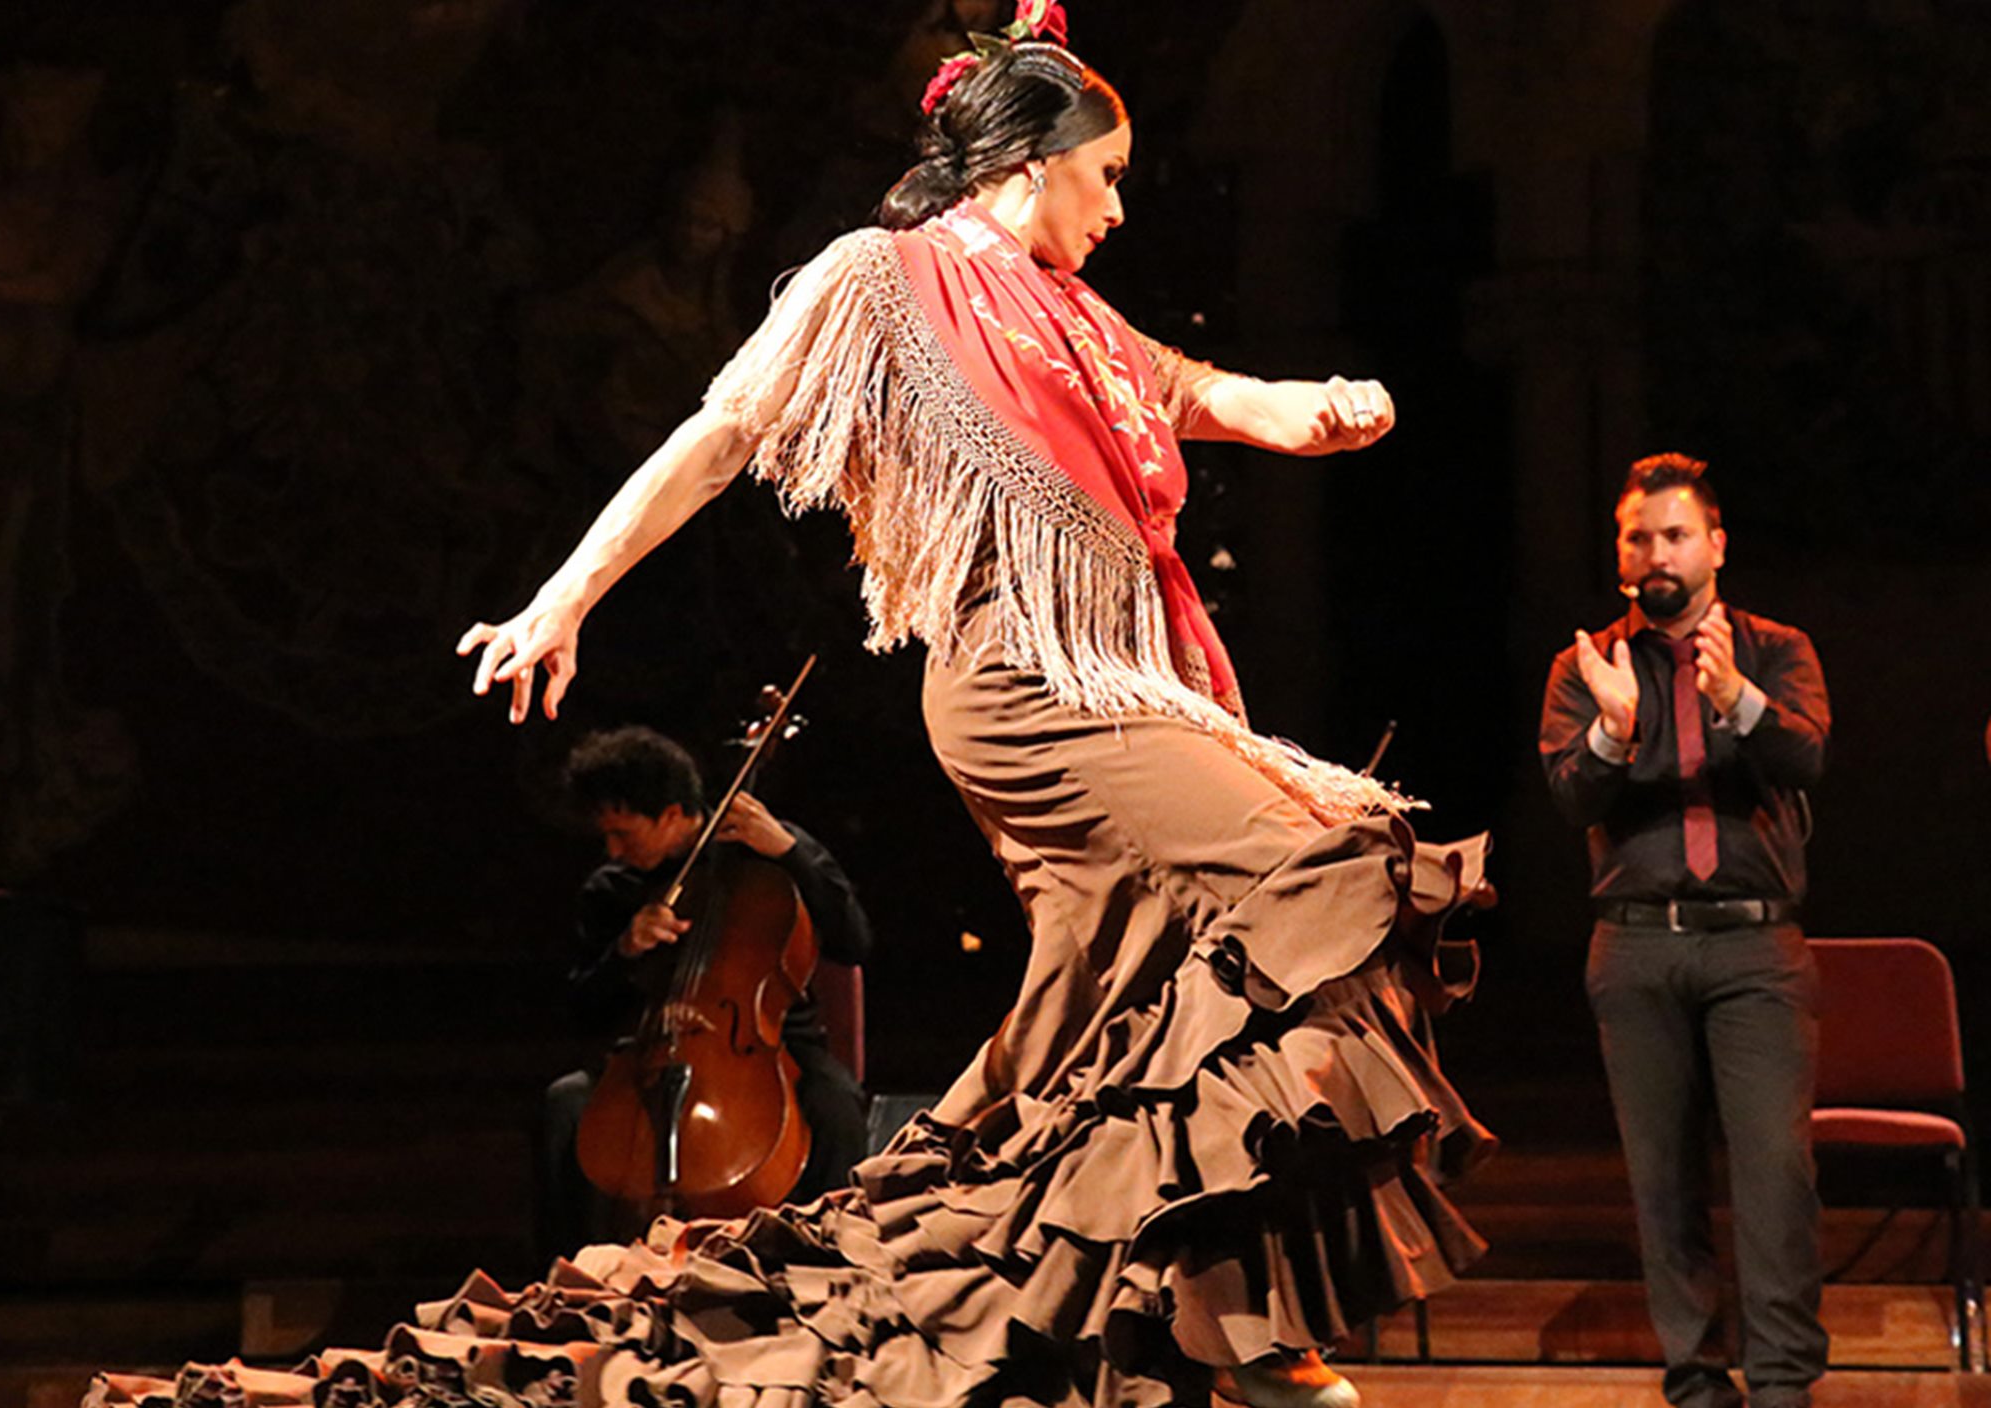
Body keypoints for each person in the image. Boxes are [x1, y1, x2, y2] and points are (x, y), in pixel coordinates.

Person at [88, 11, 1491, 1408]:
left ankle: (1194, 1326)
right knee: (1333, 860)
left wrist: (1307, 406)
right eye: (1105, 175)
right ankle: (1216, 1324)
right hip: (1026, 690)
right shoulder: (880, 277)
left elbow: (1196, 393)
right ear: (1029, 160)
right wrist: (564, 598)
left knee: (1119, 1022)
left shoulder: (1076, 315)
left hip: (1124, 678)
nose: (1121, 206)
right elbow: (720, 437)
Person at [1539, 452, 1831, 1408]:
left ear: (1714, 544)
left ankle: (1785, 1386)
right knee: (1662, 1185)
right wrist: (1615, 732)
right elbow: (1570, 796)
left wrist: (1733, 700)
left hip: (1756, 946)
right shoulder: (1586, 667)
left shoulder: (1778, 649)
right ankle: (1697, 1385)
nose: (1655, 551)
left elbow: (1806, 756)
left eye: (1674, 534)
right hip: (1637, 945)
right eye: (1638, 537)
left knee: (1775, 1175)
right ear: (1621, 554)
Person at [538, 725, 874, 1259]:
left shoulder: (768, 850)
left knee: (836, 1108)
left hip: (771, 1047)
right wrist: (623, 951)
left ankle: (832, 1266)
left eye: (624, 834)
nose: (613, 849)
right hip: (647, 1053)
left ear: (672, 814)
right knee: (565, 1104)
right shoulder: (612, 889)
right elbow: (578, 1006)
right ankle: (568, 1275)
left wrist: (792, 852)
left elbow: (853, 940)